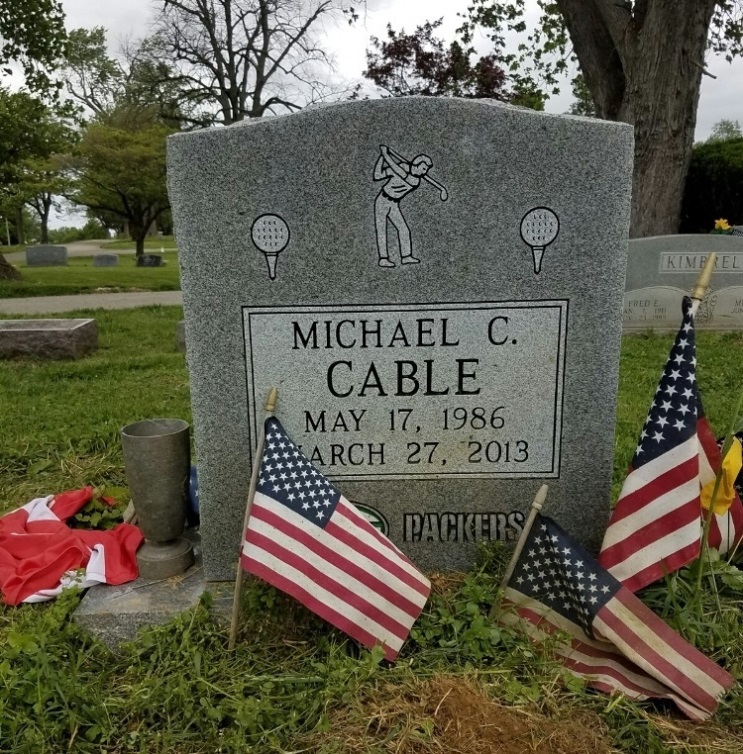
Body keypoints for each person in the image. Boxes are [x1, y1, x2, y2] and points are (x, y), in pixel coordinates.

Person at [373, 145, 433, 267]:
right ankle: (383, 259)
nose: (424, 172)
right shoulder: (402, 167)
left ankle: (406, 257)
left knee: (404, 229)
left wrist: (385, 154)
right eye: (423, 168)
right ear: (416, 165)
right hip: (382, 200)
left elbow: (398, 171)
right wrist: (381, 158)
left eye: (426, 170)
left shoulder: (415, 181)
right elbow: (377, 175)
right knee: (381, 230)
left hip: (394, 204)